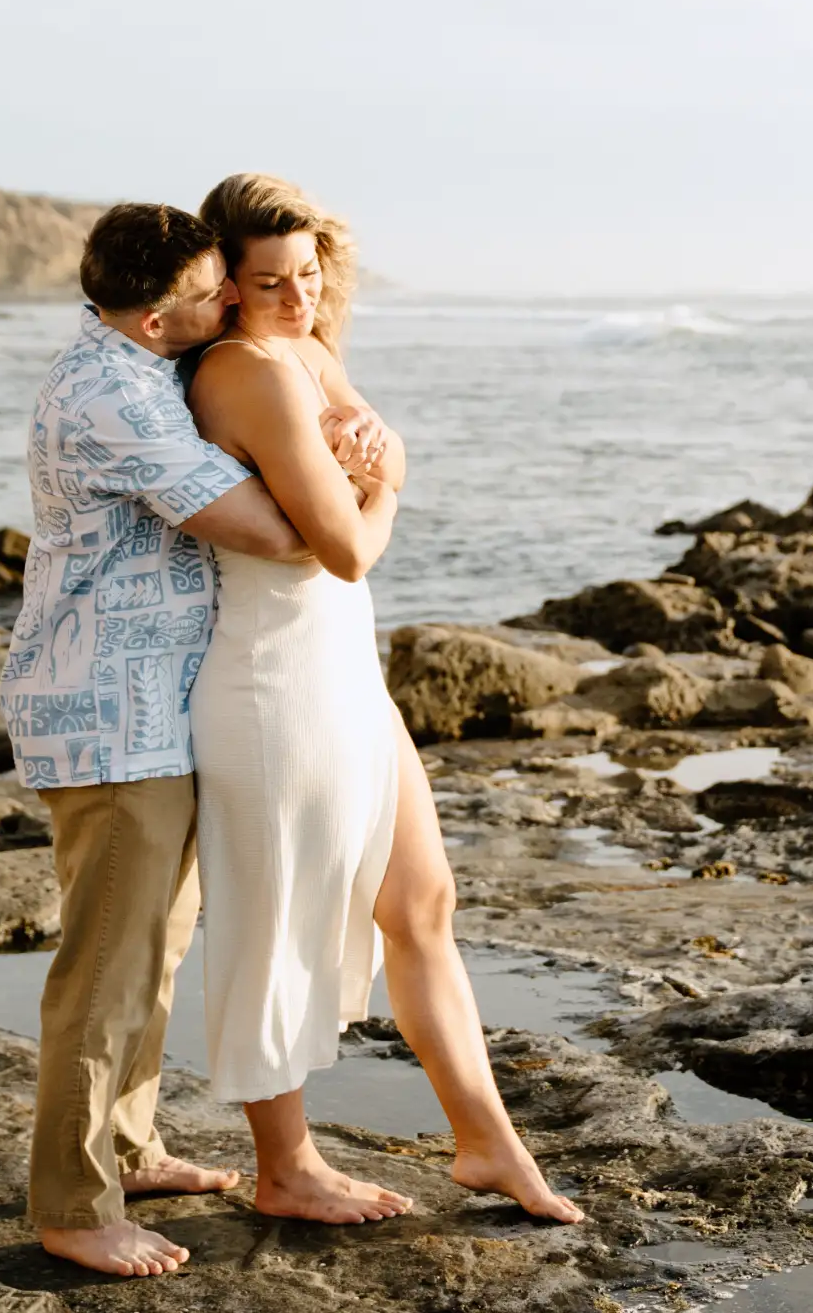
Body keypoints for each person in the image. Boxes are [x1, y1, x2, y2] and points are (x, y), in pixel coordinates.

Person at [185, 172, 583, 1227]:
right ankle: (286, 1167)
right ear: (223, 283)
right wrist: (388, 480)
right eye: (266, 280)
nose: (294, 296)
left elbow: (375, 453)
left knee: (422, 904)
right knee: (270, 929)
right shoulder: (244, 372)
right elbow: (350, 547)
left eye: (308, 274)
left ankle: (487, 1147)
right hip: (270, 684)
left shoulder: (308, 349)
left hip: (343, 673)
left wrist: (382, 460)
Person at [0, 203, 314, 1278]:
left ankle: (127, 1147)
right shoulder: (115, 396)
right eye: (207, 290)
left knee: (152, 952)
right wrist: (357, 477)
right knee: (105, 971)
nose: (228, 299)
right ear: (151, 315)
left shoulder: (134, 370)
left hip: (145, 706)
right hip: (107, 716)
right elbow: (271, 532)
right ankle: (75, 1205)